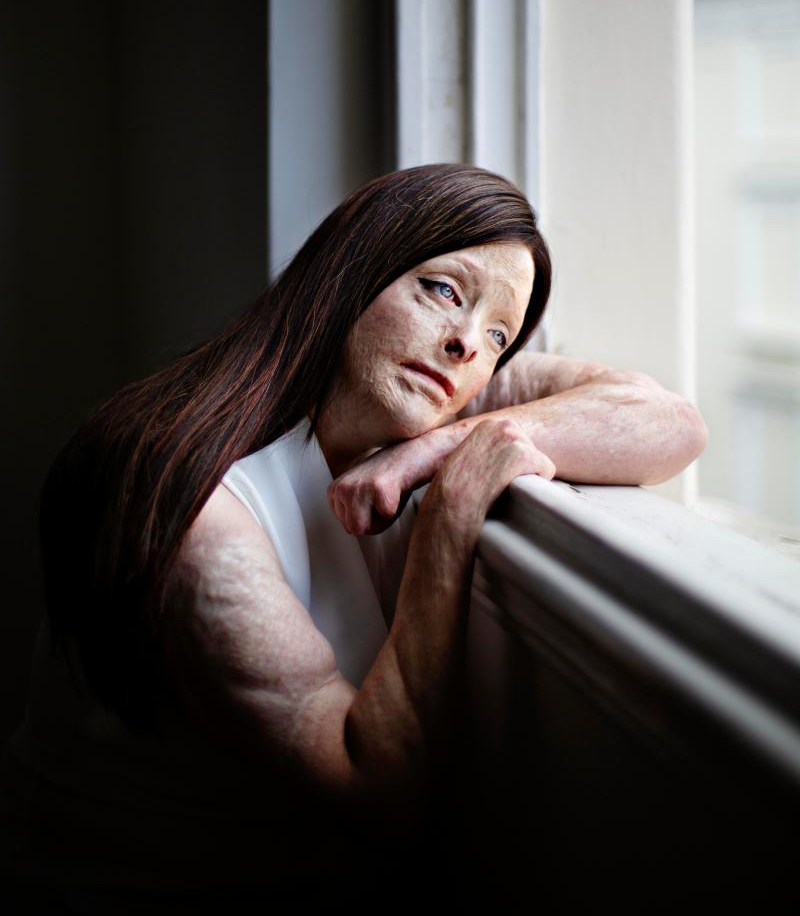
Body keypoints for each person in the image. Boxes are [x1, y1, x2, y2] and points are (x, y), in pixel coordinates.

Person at [0, 164, 707, 912]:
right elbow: (375, 794)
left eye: (500, 333)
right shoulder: (201, 515)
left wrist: (446, 447)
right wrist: (450, 515)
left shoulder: (432, 389)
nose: (468, 342)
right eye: (444, 290)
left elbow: (672, 424)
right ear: (351, 275)